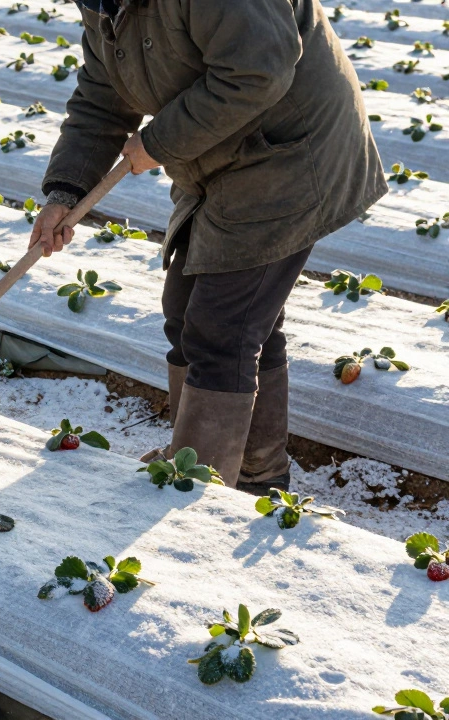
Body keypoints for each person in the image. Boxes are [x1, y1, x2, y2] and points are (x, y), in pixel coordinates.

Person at [30, 0, 386, 490]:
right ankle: (246, 466)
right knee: (190, 312)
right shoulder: (102, 5)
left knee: (223, 329)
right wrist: (64, 192)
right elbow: (101, 97)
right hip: (215, 155)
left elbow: (258, 71)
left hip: (289, 154)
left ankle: (205, 490)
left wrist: (158, 141)